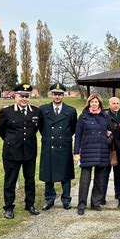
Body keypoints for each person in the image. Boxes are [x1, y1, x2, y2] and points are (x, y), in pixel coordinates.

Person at [0, 83, 40, 219]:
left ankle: (30, 204)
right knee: (10, 181)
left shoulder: (35, 111)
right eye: (21, 96)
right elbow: (0, 130)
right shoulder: (6, 111)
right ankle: (8, 207)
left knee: (30, 180)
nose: (24, 99)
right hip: (11, 152)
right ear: (15, 96)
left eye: (26, 96)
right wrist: (11, 140)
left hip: (29, 151)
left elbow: (35, 129)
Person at [38, 83, 77, 211]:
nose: (57, 97)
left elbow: (73, 128)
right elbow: (41, 127)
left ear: (63, 96)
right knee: (49, 175)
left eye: (60, 94)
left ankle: (66, 200)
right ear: (51, 95)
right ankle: (49, 199)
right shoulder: (43, 109)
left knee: (65, 175)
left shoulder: (70, 111)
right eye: (55, 94)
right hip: (49, 145)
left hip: (64, 146)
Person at [74, 93, 112, 215]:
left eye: (96, 102)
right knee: (85, 180)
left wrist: (108, 140)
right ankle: (81, 204)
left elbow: (112, 131)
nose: (94, 104)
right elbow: (78, 135)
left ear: (100, 103)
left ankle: (95, 202)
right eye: (92, 102)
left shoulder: (105, 116)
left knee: (99, 179)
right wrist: (76, 152)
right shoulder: (83, 117)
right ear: (89, 103)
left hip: (102, 151)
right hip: (87, 151)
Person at [101, 96, 120, 205]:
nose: (116, 105)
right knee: (105, 173)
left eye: (118, 103)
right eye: (113, 103)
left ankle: (118, 194)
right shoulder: (104, 115)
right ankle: (102, 196)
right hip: (107, 148)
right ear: (109, 105)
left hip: (119, 148)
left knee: (118, 174)